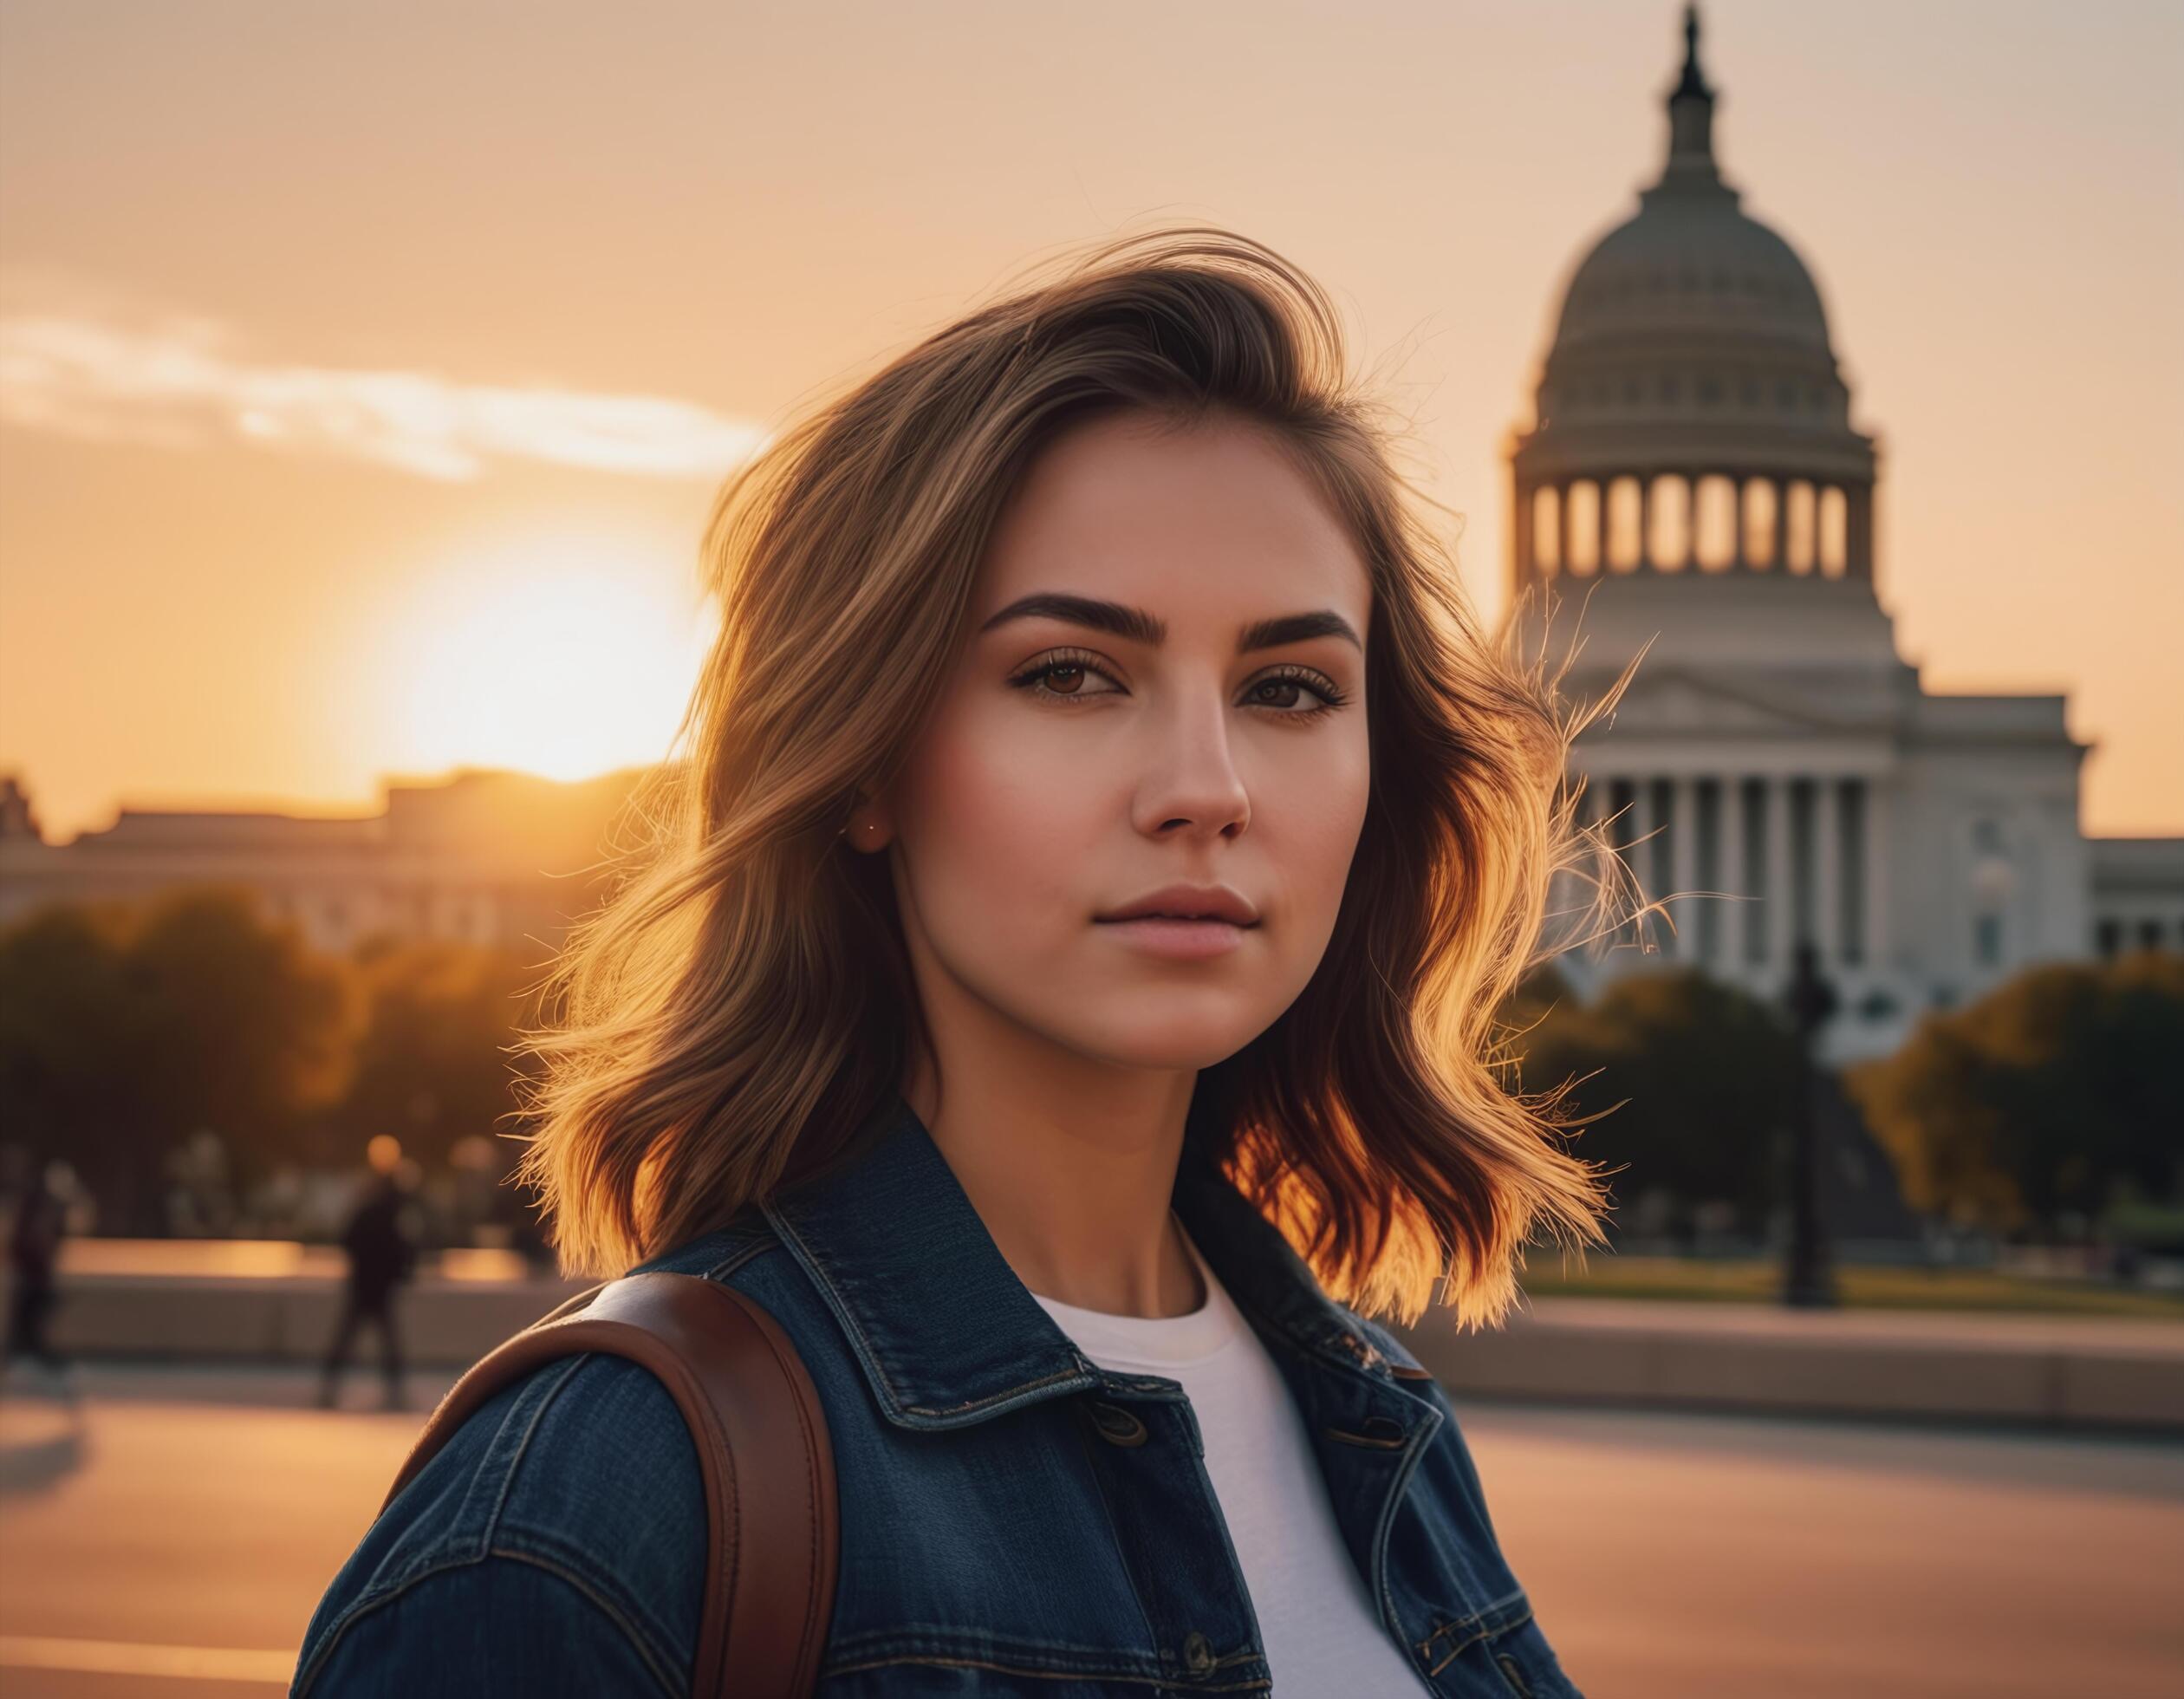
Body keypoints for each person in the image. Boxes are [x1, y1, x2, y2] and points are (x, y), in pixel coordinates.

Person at [290, 226, 1630, 1697]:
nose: (1207, 785)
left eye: (1291, 688)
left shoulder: (1384, 1430)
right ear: (867, 764)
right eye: (1071, 673)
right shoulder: (598, 1507)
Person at [315, 1151, 419, 1411]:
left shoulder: (369, 1211)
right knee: (384, 1341)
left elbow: (347, 1240)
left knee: (351, 1339)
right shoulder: (394, 1217)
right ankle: (394, 1391)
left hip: (364, 1286)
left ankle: (329, 1387)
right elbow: (403, 1251)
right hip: (377, 1288)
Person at [2, 1153, 81, 1406]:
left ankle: (58, 1371)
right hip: (34, 1276)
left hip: (34, 1278)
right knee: (25, 1335)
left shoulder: (36, 1200)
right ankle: (58, 1372)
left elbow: (32, 1240)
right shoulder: (40, 1200)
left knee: (26, 1335)